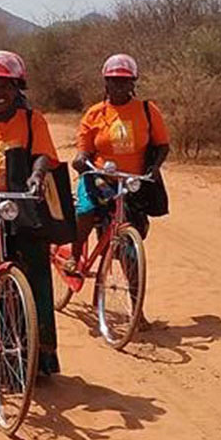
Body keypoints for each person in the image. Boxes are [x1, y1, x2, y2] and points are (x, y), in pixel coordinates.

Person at [0, 50, 63, 376]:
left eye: (5, 86)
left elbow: (43, 156)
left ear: (17, 89)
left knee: (35, 276)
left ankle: (38, 357)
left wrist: (36, 176)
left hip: (24, 205)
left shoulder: (32, 120)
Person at [69, 54, 170, 305]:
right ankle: (75, 253)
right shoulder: (95, 114)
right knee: (85, 211)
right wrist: (82, 161)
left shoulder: (147, 110)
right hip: (99, 177)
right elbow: (83, 150)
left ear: (133, 83)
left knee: (129, 246)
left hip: (132, 181)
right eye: (114, 81)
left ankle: (136, 309)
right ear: (106, 83)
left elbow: (162, 145)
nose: (119, 86)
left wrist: (155, 168)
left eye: (124, 81)